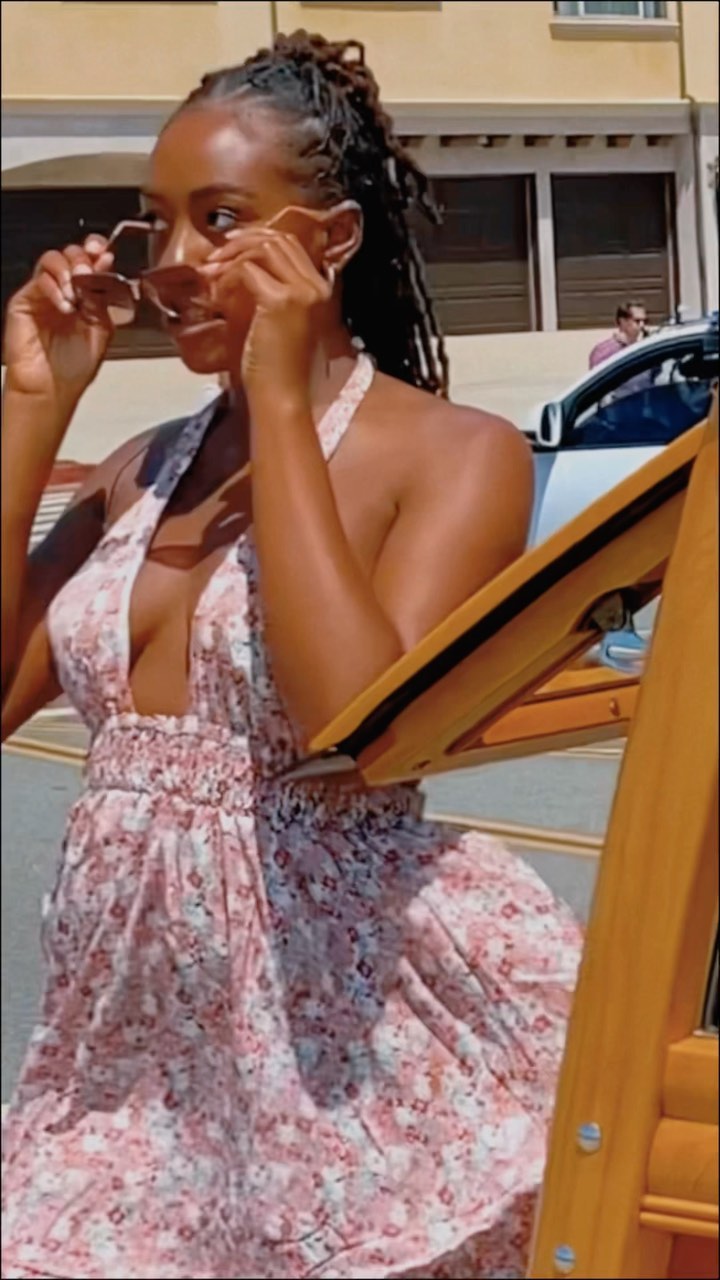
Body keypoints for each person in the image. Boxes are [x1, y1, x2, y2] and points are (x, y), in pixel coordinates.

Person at [1, 32, 582, 1280]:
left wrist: (278, 405)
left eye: (221, 220)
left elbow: (357, 729)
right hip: (130, 1045)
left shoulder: (455, 454)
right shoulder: (142, 470)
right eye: (158, 224)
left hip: (345, 1045)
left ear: (332, 241)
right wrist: (32, 412)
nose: (175, 262)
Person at [588, 299, 648, 370]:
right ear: (623, 321)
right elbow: (599, 374)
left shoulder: (642, 348)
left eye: (645, 321)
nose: (642, 325)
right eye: (637, 321)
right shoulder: (605, 350)